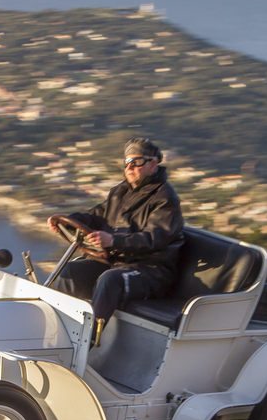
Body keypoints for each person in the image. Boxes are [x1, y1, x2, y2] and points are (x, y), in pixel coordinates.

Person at [47, 137, 184, 342]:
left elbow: (154, 238)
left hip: (149, 271)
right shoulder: (120, 191)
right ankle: (49, 330)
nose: (129, 166)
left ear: (152, 164)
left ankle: (85, 343)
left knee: (111, 280)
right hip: (115, 262)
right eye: (126, 161)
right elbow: (96, 216)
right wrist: (68, 221)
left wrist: (113, 241)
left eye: (136, 161)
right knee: (70, 272)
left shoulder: (165, 199)